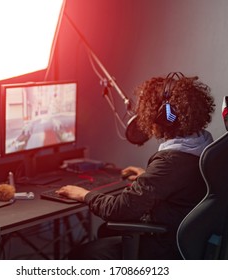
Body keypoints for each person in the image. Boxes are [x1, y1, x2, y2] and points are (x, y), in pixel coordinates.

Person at [56, 72, 216, 259]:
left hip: (166, 247)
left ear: (163, 117)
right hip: (190, 242)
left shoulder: (171, 161)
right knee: (106, 232)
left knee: (79, 255)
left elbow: (120, 209)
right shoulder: (203, 146)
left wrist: (84, 195)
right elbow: (179, 184)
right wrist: (147, 178)